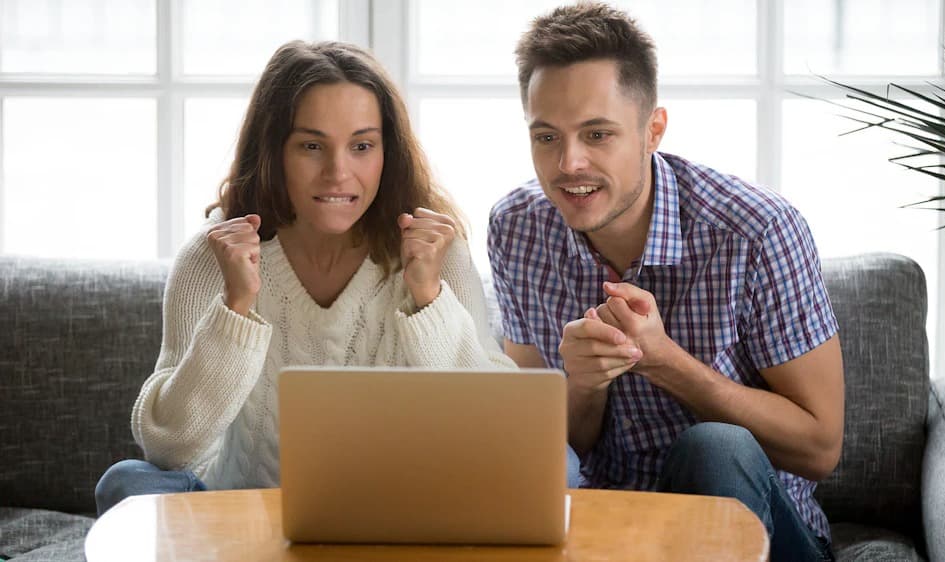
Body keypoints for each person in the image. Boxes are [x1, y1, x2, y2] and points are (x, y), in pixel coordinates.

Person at [95, 40, 516, 515]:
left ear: (387, 152)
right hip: (241, 513)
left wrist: (428, 298)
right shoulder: (211, 255)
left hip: (400, 511)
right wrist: (235, 307)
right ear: (274, 150)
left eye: (362, 146)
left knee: (557, 467)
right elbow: (168, 448)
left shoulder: (436, 250)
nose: (338, 173)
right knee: (126, 484)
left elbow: (497, 430)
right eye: (312, 146)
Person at [488, 4, 843, 561]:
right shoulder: (516, 230)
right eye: (547, 137)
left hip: (763, 538)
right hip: (606, 532)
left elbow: (821, 448)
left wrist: (663, 361)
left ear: (653, 130)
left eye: (597, 133)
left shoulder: (757, 232)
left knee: (715, 448)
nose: (568, 164)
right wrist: (583, 384)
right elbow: (553, 448)